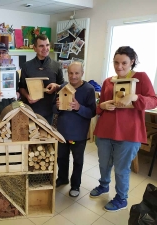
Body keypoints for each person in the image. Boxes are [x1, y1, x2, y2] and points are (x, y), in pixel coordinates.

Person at [90, 46, 157, 212]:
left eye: (124, 63)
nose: (119, 66)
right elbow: (99, 107)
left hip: (129, 133)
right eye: (116, 62)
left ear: (132, 62)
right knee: (104, 163)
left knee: (121, 169)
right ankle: (104, 185)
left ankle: (121, 198)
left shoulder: (140, 78)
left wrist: (135, 97)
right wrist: (102, 105)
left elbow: (153, 101)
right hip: (105, 131)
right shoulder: (108, 82)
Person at [53, 62, 96, 197]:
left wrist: (79, 108)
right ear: (67, 73)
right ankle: (62, 178)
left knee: (78, 160)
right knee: (62, 158)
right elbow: (54, 109)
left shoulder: (89, 89)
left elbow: (92, 112)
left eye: (77, 73)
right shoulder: (63, 87)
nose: (73, 76)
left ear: (82, 73)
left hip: (78, 134)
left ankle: (75, 185)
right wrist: (57, 107)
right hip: (62, 132)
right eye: (71, 73)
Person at [19, 34, 64, 124]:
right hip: (31, 110)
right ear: (34, 48)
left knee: (46, 136)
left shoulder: (57, 65)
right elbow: (21, 87)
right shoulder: (26, 66)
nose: (45, 48)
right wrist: (28, 97)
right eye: (41, 46)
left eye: (47, 45)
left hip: (49, 110)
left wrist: (56, 87)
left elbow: (62, 87)